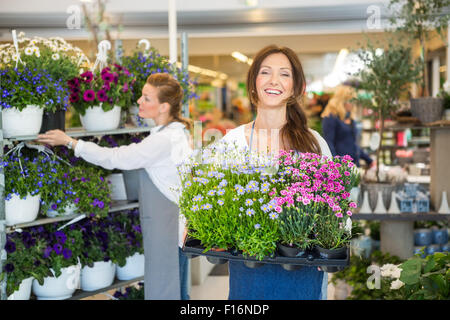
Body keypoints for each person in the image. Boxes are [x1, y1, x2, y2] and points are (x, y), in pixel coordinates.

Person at [37, 73, 193, 300]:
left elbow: (118, 158)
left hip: (167, 226)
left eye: (147, 98)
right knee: (175, 287)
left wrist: (71, 143)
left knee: (165, 289)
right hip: (173, 223)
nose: (139, 101)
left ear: (163, 107)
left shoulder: (163, 140)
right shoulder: (177, 132)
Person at [221, 45, 332, 300]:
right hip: (249, 271)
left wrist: (331, 243)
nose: (274, 81)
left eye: (284, 74)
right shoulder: (233, 142)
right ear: (253, 83)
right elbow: (201, 196)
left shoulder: (314, 143)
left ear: (294, 87)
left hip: (301, 271)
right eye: (265, 72)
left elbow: (335, 204)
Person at [321, 85, 373, 167]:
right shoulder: (331, 118)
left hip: (354, 165)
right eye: (351, 100)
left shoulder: (350, 118)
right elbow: (328, 143)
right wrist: (336, 165)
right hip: (341, 167)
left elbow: (352, 144)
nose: (353, 104)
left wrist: (369, 160)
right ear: (342, 100)